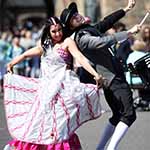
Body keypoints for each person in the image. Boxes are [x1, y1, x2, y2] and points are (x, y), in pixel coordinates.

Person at [3, 17, 103, 150]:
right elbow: (26, 54)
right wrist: (13, 62)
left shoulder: (67, 42)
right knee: (39, 123)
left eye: (59, 30)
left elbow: (79, 57)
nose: (58, 34)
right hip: (45, 91)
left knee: (59, 124)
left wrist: (94, 74)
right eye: (54, 31)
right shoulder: (46, 46)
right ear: (49, 32)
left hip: (62, 89)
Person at [60, 1, 142, 149]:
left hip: (112, 77)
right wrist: (128, 33)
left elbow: (107, 22)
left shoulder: (89, 29)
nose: (77, 16)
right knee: (129, 114)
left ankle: (100, 148)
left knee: (117, 116)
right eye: (73, 18)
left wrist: (126, 9)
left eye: (76, 14)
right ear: (71, 26)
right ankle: (111, 148)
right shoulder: (81, 37)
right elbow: (103, 42)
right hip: (112, 78)